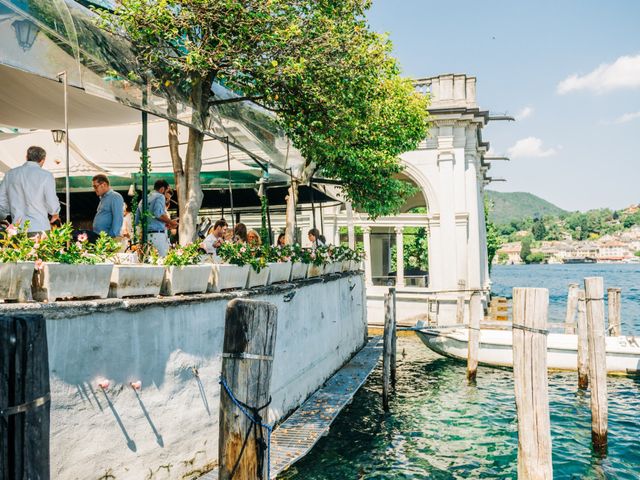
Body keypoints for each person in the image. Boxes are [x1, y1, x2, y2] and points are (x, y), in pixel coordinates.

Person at [0, 146, 60, 233]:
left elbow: (2, 200)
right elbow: (51, 201)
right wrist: (55, 213)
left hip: (17, 228)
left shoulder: (10, 174)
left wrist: (3, 215)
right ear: (43, 160)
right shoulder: (46, 175)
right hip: (39, 227)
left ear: (27, 157)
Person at [135, 179, 178, 256]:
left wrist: (164, 223)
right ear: (162, 189)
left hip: (145, 236)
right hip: (158, 236)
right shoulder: (160, 196)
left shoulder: (143, 200)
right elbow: (158, 214)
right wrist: (171, 222)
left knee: (147, 262)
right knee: (161, 262)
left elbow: (137, 221)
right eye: (167, 190)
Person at [92, 174, 124, 238]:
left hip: (107, 240)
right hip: (100, 238)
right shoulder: (103, 198)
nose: (94, 189)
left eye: (95, 186)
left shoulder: (115, 197)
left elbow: (118, 220)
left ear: (104, 185)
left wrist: (110, 237)